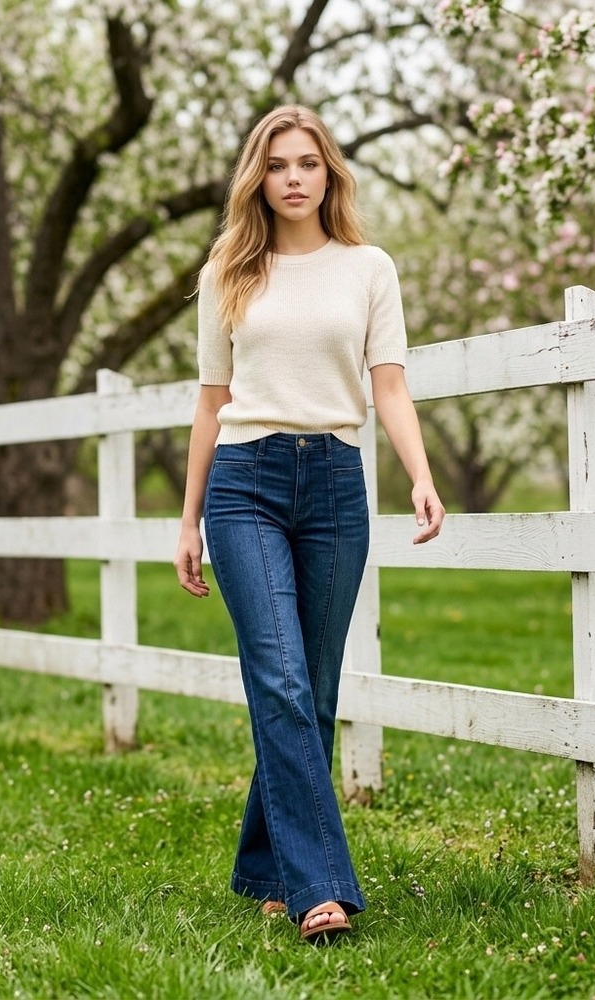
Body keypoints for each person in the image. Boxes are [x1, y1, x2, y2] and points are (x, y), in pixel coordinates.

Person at [173, 105, 444, 943]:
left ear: (331, 175)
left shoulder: (369, 268)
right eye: (279, 164)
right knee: (282, 681)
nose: (294, 177)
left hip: (334, 483)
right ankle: (319, 887)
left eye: (309, 164)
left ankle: (265, 864)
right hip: (245, 482)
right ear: (259, 176)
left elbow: (389, 385)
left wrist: (421, 476)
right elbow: (212, 403)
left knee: (313, 692)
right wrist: (188, 519)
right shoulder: (229, 270)